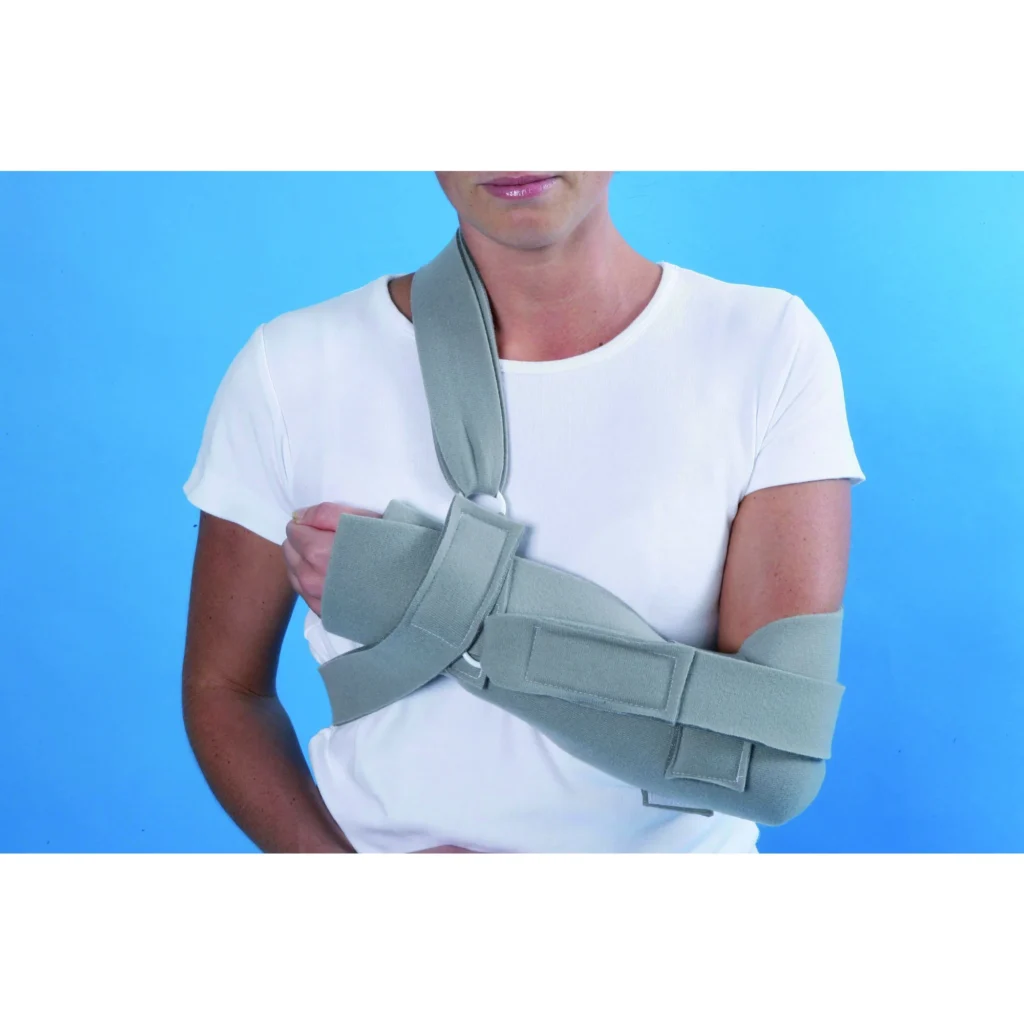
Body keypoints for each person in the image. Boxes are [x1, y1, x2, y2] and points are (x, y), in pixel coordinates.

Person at [181, 171, 865, 853]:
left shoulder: (764, 347)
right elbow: (224, 688)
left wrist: (429, 596)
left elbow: (773, 764)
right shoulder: (292, 367)